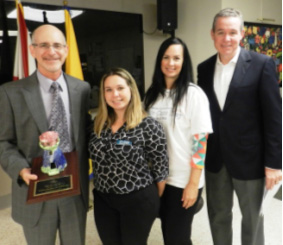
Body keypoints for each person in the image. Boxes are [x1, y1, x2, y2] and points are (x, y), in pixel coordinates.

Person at [197, 8, 282, 245]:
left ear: (242, 34)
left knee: (253, 219)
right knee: (218, 216)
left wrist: (274, 164)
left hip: (251, 160)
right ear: (212, 34)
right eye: (221, 32)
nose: (227, 38)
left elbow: (274, 119)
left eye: (233, 32)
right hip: (215, 159)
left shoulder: (262, 64)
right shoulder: (203, 69)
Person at [0, 24, 91, 245]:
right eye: (43, 45)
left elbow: (87, 134)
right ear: (32, 50)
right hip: (35, 190)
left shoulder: (83, 89)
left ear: (66, 50)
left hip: (73, 188)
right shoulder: (10, 92)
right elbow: (3, 142)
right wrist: (20, 169)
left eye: (57, 45)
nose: (51, 51)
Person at [88, 67, 169, 245]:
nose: (115, 94)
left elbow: (161, 169)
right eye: (108, 90)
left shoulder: (148, 125)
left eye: (120, 88)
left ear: (131, 89)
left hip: (138, 200)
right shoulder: (98, 124)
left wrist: (152, 202)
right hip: (103, 200)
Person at [144, 37, 213, 245]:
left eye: (176, 58)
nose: (171, 63)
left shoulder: (194, 94)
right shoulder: (151, 95)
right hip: (157, 177)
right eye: (166, 57)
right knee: (167, 229)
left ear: (184, 62)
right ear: (159, 61)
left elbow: (200, 143)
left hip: (183, 179)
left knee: (177, 237)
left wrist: (193, 184)